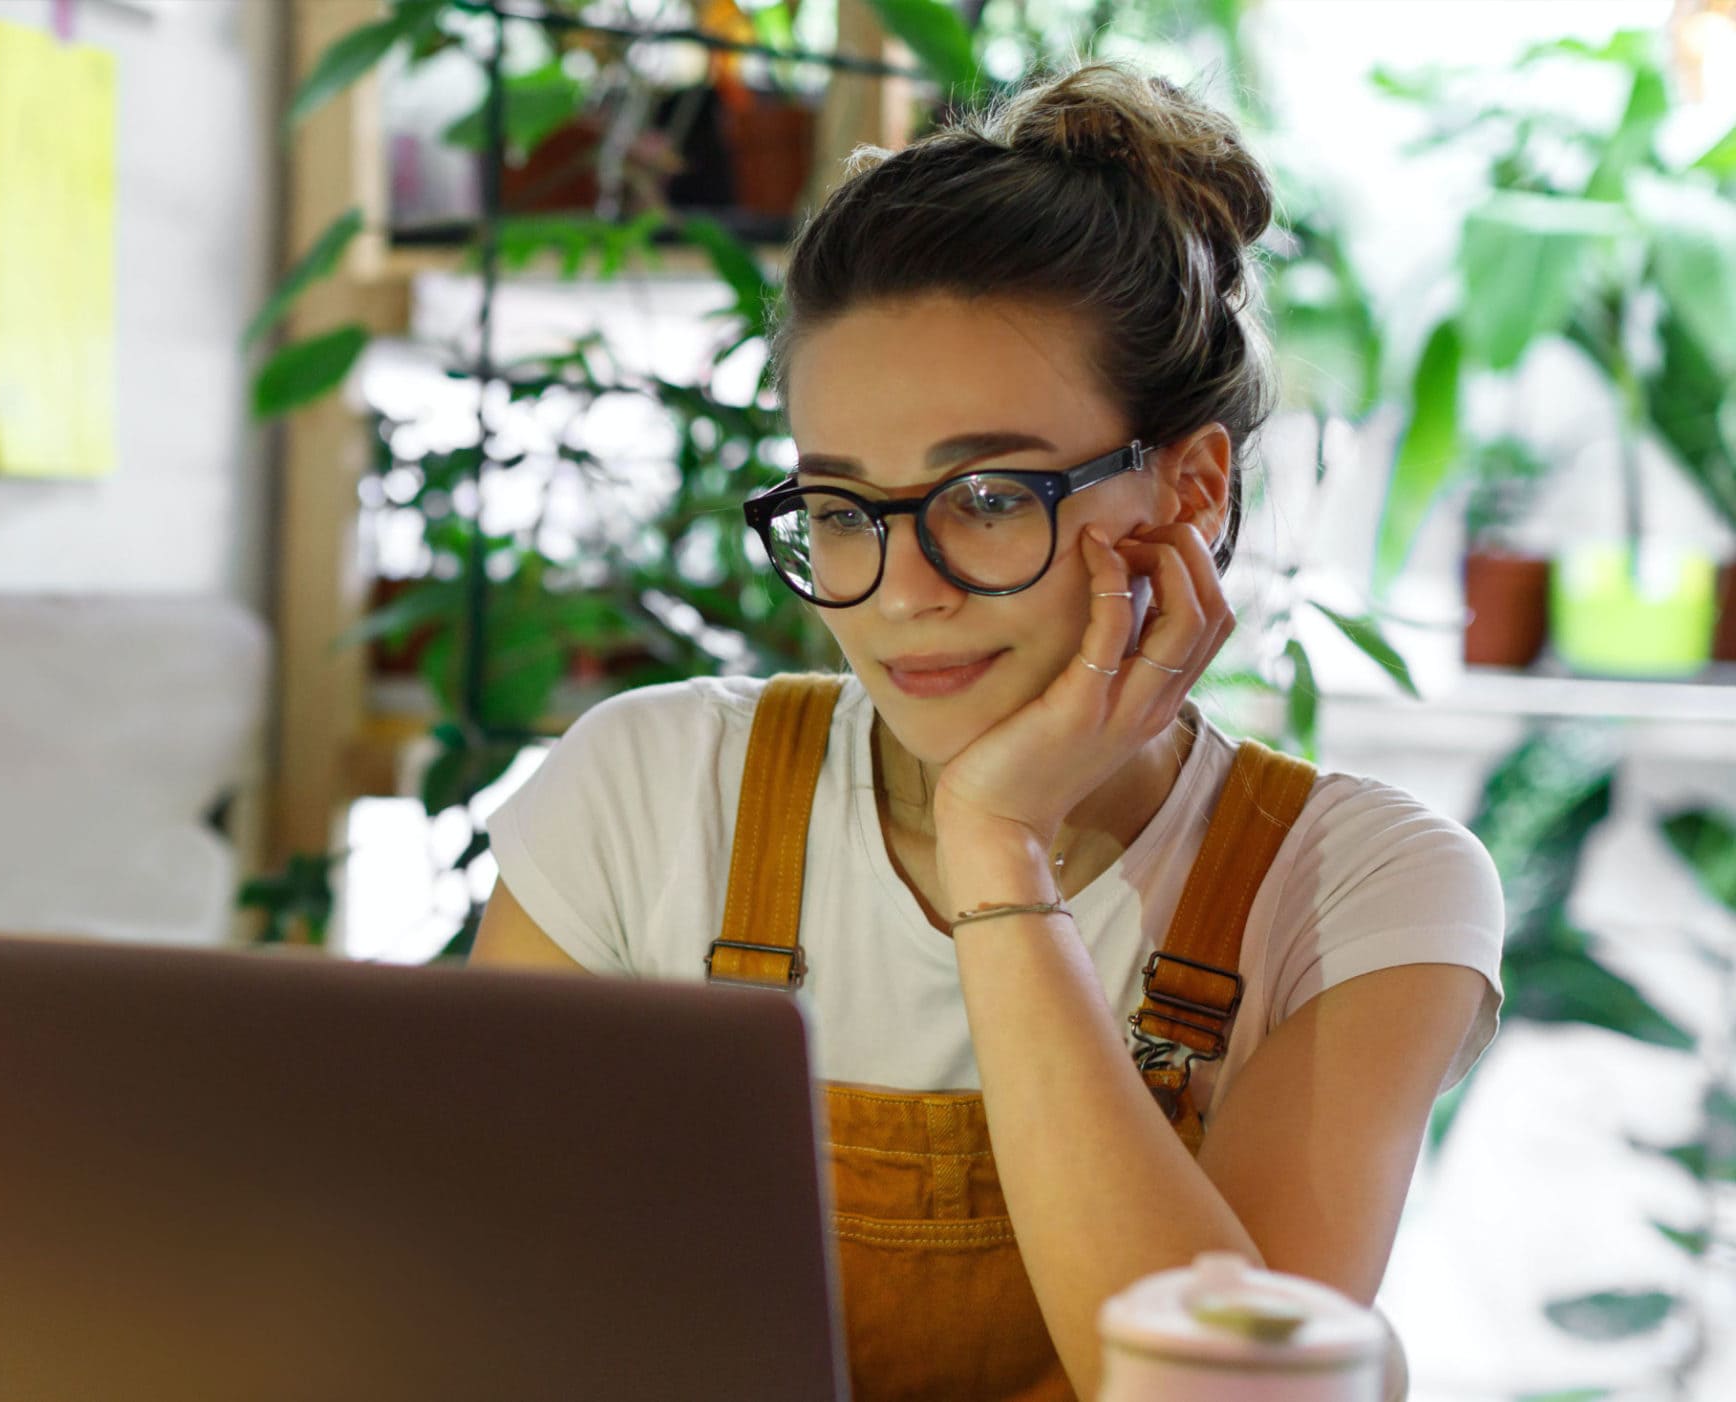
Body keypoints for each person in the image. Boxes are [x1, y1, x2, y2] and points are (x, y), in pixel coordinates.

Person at [469, 61, 1503, 1402]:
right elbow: (472, 1305)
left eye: (990, 495)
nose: (902, 589)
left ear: (1189, 488)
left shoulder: (1358, 890)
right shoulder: (651, 792)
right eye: (843, 509)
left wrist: (997, 847)